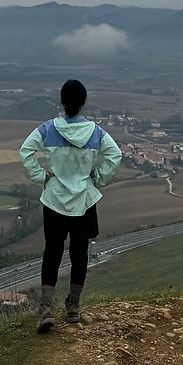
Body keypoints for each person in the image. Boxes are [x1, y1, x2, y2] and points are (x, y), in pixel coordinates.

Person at [19, 78, 122, 332]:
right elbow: (115, 155)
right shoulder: (96, 132)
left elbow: (25, 151)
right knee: (79, 254)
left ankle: (46, 308)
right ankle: (73, 307)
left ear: (62, 102)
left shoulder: (48, 129)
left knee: (52, 253)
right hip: (84, 201)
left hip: (54, 199)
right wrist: (97, 178)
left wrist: (42, 176)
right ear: (83, 102)